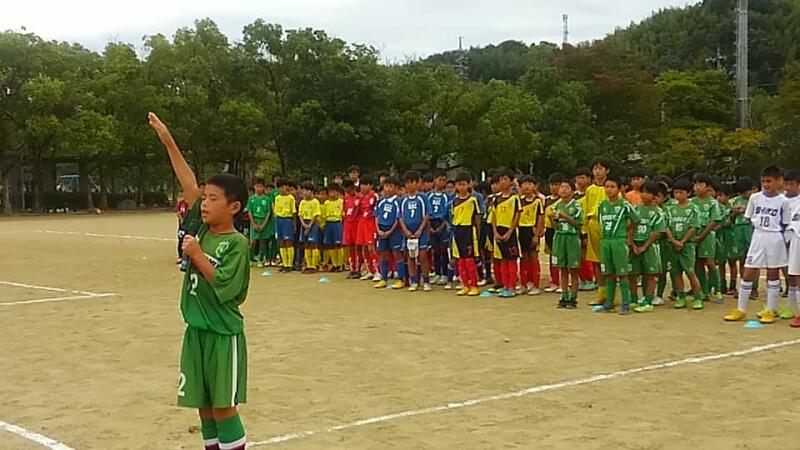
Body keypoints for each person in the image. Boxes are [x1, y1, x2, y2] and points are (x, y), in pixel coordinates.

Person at [148, 112, 250, 450]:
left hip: (222, 334)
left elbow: (227, 289)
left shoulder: (236, 244)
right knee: (204, 408)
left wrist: (197, 255)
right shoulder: (202, 228)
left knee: (223, 408)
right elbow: (188, 183)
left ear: (233, 207)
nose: (204, 204)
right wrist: (168, 140)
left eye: (213, 199)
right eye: (204, 198)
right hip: (196, 332)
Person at [725, 166, 788, 323]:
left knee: (772, 274)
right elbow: (749, 217)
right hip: (758, 236)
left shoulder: (784, 201)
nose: (766, 184)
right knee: (748, 273)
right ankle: (741, 309)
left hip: (775, 237)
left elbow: (786, 223)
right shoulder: (755, 198)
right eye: (763, 181)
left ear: (779, 181)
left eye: (769, 181)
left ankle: (770, 310)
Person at [597, 175, 638, 314]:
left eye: (612, 187)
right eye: (607, 187)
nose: (609, 190)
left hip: (619, 241)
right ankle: (609, 302)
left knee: (622, 273)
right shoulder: (602, 205)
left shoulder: (624, 205)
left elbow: (636, 220)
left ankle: (625, 303)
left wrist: (625, 232)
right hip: (605, 241)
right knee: (608, 273)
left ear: (619, 189)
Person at [664, 179, 705, 310]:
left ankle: (698, 297)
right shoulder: (670, 208)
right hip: (672, 245)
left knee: (690, 272)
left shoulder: (693, 209)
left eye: (681, 192)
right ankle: (680, 296)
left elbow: (693, 227)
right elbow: (666, 226)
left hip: (687, 245)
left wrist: (682, 242)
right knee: (676, 272)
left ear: (688, 193)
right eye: (676, 192)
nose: (678, 195)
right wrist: (673, 241)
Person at [630, 181, 665, 313]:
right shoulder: (635, 209)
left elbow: (657, 232)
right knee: (632, 274)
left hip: (650, 246)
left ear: (655, 196)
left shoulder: (658, 212)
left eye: (648, 193)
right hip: (635, 245)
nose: (644, 195)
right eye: (642, 192)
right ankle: (633, 299)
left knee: (650, 274)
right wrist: (632, 244)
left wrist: (644, 246)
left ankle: (648, 300)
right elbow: (630, 227)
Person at [551, 179, 583, 309]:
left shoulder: (576, 206)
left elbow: (579, 224)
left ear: (572, 190)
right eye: (561, 187)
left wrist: (565, 217)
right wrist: (551, 219)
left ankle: (573, 298)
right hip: (560, 238)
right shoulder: (557, 205)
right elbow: (556, 227)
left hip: (572, 238)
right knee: (562, 269)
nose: (563, 190)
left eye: (566, 187)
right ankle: (563, 296)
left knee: (573, 270)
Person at [691, 174, 723, 302]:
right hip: (694, 234)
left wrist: (701, 236)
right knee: (697, 263)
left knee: (710, 263)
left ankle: (717, 290)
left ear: (708, 187)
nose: (697, 187)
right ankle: (704, 290)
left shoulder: (713, 203)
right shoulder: (692, 202)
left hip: (707, 235)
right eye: (696, 184)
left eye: (701, 184)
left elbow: (714, 221)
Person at [491, 167, 522, 298]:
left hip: (510, 231)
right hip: (499, 231)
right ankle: (505, 285)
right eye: (501, 180)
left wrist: (510, 231)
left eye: (505, 179)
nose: (503, 182)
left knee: (511, 260)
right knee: (502, 260)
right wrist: (495, 232)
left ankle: (512, 286)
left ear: (511, 181)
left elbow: (517, 215)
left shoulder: (515, 198)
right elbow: (493, 216)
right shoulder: (496, 199)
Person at [400, 170, 433, 292]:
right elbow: (401, 217)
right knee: (410, 255)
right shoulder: (403, 199)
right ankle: (413, 280)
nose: (409, 185)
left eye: (412, 182)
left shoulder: (422, 197)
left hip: (421, 231)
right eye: (407, 183)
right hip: (408, 232)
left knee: (423, 256)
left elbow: (426, 215)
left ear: (417, 183)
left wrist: (420, 230)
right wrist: (405, 230)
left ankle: (426, 280)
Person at [450, 171, 482, 296]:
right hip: (457, 231)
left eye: (464, 184)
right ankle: (465, 284)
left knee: (469, 260)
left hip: (469, 230)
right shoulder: (454, 201)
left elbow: (477, 217)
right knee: (460, 260)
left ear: (469, 184)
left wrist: (478, 233)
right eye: (459, 185)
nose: (461, 187)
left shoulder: (473, 200)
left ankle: (474, 285)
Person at [374, 177, 406, 289]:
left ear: (396, 188)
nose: (388, 189)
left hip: (394, 231)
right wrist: (378, 230)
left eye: (390, 186)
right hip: (381, 230)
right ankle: (383, 278)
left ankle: (401, 279)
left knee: (397, 254)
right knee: (383, 255)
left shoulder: (398, 202)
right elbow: (377, 216)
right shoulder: (381, 201)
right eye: (386, 186)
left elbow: (398, 219)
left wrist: (390, 231)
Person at [586, 160, 610, 305]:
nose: (597, 171)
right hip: (593, 224)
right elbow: (586, 209)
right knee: (596, 261)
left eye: (600, 168)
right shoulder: (590, 190)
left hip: (607, 225)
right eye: (595, 168)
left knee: (608, 261)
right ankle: (601, 293)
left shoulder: (611, 188)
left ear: (607, 171)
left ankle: (611, 292)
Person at [518, 175, 545, 295]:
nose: (527, 186)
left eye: (530, 184)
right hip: (521, 230)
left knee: (533, 257)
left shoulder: (538, 201)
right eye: (524, 184)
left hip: (532, 230)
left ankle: (536, 284)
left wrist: (537, 235)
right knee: (523, 258)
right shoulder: (519, 201)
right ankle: (524, 284)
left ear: (535, 186)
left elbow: (540, 219)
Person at [730, 177, 756, 296]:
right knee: (741, 259)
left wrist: (746, 211)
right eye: (742, 192)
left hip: (751, 229)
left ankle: (754, 288)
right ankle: (744, 287)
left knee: (753, 260)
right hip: (738, 229)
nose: (744, 194)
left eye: (746, 192)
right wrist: (735, 213)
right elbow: (730, 220)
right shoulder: (735, 201)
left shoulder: (756, 199)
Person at [428, 171, 452, 287]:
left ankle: (445, 274)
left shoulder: (447, 196)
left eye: (443, 180)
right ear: (435, 180)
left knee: (443, 250)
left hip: (443, 223)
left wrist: (442, 226)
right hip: (432, 223)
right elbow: (427, 212)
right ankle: (437, 273)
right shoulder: (429, 196)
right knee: (435, 250)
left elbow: (447, 213)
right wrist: (430, 227)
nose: (441, 182)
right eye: (439, 179)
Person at [543, 173, 565, 293]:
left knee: (561, 256)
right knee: (552, 257)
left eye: (557, 184)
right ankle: (554, 281)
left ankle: (563, 281)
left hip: (560, 230)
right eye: (552, 184)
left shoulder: (563, 201)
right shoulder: (546, 200)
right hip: (549, 231)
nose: (554, 187)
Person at [356, 175, 380, 281]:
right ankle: (370, 270)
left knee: (371, 247)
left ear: (371, 185)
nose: (363, 187)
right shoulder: (361, 198)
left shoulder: (374, 196)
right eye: (362, 185)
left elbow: (377, 211)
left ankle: (378, 271)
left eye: (366, 185)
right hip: (363, 223)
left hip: (371, 223)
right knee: (364, 247)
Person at [246, 178, 272, 267]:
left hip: (263, 221)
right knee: (252, 242)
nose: (258, 188)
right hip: (254, 220)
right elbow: (249, 211)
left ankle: (261, 259)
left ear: (263, 187)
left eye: (260, 186)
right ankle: (250, 258)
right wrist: (253, 223)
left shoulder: (267, 199)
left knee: (262, 242)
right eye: (257, 186)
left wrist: (264, 224)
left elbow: (268, 212)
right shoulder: (251, 199)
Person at [274, 178, 297, 272]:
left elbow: (293, 212)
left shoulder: (291, 198)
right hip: (279, 220)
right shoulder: (277, 198)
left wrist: (294, 224)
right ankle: (284, 263)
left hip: (287, 219)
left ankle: (289, 264)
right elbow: (276, 211)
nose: (282, 189)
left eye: (284, 186)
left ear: (287, 187)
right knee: (281, 241)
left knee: (288, 241)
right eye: (280, 187)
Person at [299, 182, 322, 273]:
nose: (305, 192)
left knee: (313, 244)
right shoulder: (302, 202)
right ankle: (308, 265)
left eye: (307, 190)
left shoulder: (315, 202)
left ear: (311, 191)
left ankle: (314, 265)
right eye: (304, 190)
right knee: (306, 244)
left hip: (312, 223)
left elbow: (315, 215)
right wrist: (304, 225)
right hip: (304, 223)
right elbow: (300, 215)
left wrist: (309, 226)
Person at [342, 180, 362, 278]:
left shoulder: (359, 198)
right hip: (348, 224)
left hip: (356, 224)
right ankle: (352, 268)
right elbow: (344, 212)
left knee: (357, 247)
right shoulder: (345, 198)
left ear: (352, 188)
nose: (348, 192)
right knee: (350, 247)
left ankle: (358, 269)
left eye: (349, 190)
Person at [324, 184, 345, 272]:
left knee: (339, 243)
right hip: (329, 223)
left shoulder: (341, 201)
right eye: (330, 192)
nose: (332, 194)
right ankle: (334, 263)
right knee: (330, 244)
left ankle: (340, 264)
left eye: (334, 192)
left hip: (337, 223)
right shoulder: (327, 203)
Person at [176, 195, 191, 264]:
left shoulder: (190, 203)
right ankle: (180, 257)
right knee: (181, 239)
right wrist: (181, 219)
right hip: (182, 225)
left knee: (189, 239)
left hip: (189, 225)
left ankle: (188, 257)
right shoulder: (181, 203)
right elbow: (178, 212)